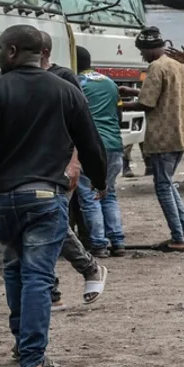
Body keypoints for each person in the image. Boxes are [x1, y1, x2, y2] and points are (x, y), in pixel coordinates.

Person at [0, 26, 107, 367]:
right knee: (37, 275)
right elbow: (90, 142)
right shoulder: (66, 90)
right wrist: (100, 180)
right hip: (46, 197)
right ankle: (33, 357)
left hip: (3, 200)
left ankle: (22, 345)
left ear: (13, 51)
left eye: (0, 48)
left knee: (14, 271)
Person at [38, 34, 109, 305]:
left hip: (59, 165)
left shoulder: (64, 78)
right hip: (29, 166)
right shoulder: (16, 78)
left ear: (43, 52)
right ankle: (51, 289)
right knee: (37, 228)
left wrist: (75, 162)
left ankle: (88, 268)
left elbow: (81, 124)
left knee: (54, 223)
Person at [117, 28, 184, 252]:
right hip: (180, 133)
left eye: (142, 51)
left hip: (163, 137)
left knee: (162, 187)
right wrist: (132, 91)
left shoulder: (156, 67)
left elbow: (147, 104)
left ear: (150, 49)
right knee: (168, 183)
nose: (142, 56)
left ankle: (177, 239)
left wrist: (118, 104)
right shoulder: (175, 64)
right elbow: (162, 94)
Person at [76, 48, 126, 258]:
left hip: (91, 146)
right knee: (108, 193)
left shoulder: (77, 83)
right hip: (114, 144)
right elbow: (119, 114)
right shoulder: (109, 82)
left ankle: (98, 243)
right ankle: (118, 241)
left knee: (90, 196)